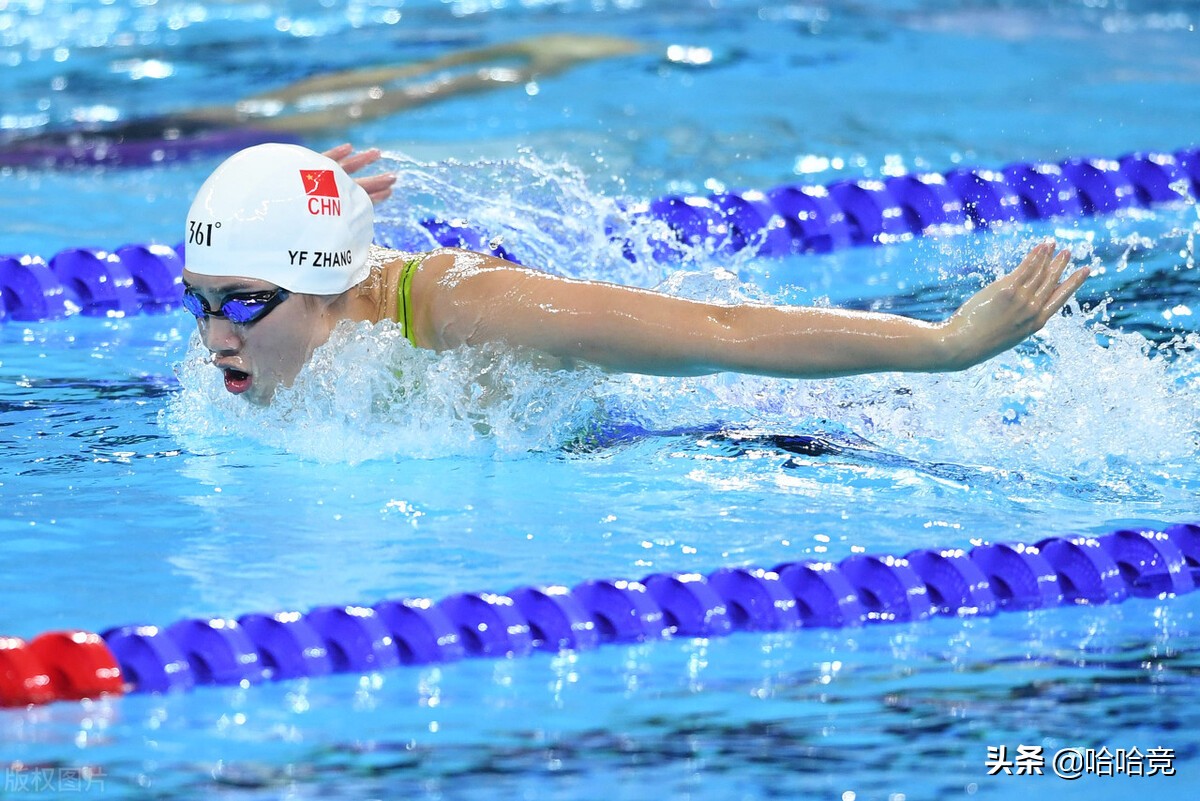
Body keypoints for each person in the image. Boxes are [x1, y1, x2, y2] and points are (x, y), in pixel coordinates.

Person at [181, 143, 1090, 406]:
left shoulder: (469, 307)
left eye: (247, 304)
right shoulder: (288, 335)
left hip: (739, 428)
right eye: (203, 302)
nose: (217, 336)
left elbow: (723, 334)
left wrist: (947, 345)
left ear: (333, 285)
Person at [0, 34, 645, 168]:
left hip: (122, 143)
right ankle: (473, 61)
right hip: (102, 133)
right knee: (269, 105)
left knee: (331, 115)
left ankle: (488, 71)